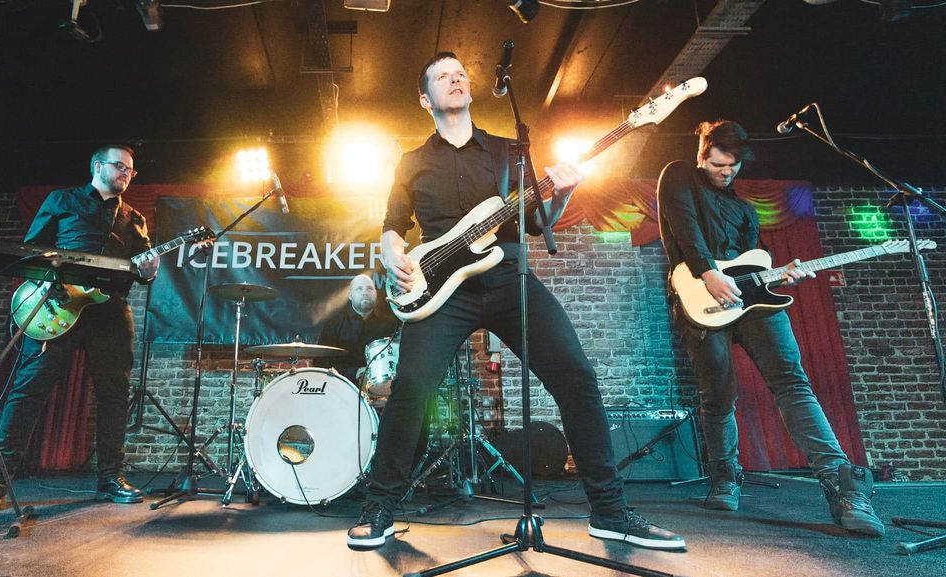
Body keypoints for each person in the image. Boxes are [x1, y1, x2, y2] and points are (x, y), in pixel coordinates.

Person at [346, 51, 686, 551]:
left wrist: (564, 193)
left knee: (576, 378)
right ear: (425, 99)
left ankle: (610, 513)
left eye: (460, 73)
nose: (455, 78)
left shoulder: (510, 153)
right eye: (442, 76)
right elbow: (394, 224)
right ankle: (380, 507)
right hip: (441, 290)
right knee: (411, 388)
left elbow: (534, 223)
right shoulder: (412, 162)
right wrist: (393, 254)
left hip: (508, 276)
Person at [656, 120, 884, 536]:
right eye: (719, 164)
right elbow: (684, 228)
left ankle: (843, 486)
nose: (726, 172)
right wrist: (708, 273)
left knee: (793, 382)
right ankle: (725, 477)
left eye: (733, 166)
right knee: (718, 395)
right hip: (700, 296)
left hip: (751, 301)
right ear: (701, 154)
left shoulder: (744, 208)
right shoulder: (678, 176)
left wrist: (782, 276)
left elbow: (754, 261)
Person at [0, 145, 159, 511]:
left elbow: (143, 269)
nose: (126, 174)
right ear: (97, 166)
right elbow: (31, 250)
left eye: (130, 171)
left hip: (110, 310)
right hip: (57, 304)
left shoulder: (134, 218)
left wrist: (149, 271)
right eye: (120, 166)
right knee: (29, 389)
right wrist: (52, 274)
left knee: (114, 395)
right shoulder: (63, 200)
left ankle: (110, 478)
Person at [317, 273, 400, 399]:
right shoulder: (334, 323)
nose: (365, 292)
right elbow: (320, 363)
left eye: (369, 288)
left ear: (376, 294)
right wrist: (355, 372)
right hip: (342, 389)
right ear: (350, 295)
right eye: (359, 289)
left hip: (381, 391)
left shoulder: (390, 324)